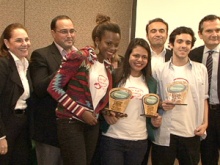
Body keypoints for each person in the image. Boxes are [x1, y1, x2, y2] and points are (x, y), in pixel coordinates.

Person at [47, 13, 121, 165]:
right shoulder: (80, 57)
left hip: (91, 124)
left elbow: (96, 99)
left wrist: (105, 110)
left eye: (116, 44)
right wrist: (81, 112)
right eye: (108, 43)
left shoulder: (107, 66)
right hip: (70, 122)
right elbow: (54, 87)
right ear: (97, 40)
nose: (113, 48)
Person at [99, 38, 162, 165]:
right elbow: (100, 101)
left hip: (139, 141)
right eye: (136, 55)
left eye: (144, 57)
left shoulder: (151, 83)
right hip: (113, 138)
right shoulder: (114, 75)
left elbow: (151, 111)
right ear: (128, 55)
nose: (140, 60)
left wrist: (155, 120)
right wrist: (105, 113)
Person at [152, 26, 208, 165]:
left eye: (188, 43)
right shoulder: (159, 69)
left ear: (191, 46)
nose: (184, 45)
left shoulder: (201, 69)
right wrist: (160, 104)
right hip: (165, 134)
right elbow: (153, 98)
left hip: (191, 132)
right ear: (171, 44)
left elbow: (204, 98)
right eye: (180, 41)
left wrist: (205, 123)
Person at [29, 15, 77, 165]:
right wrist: (65, 66)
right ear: (53, 33)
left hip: (74, 130)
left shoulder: (81, 56)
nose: (69, 35)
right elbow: (40, 88)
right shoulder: (41, 55)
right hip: (50, 131)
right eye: (64, 31)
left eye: (72, 31)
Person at [189, 14, 220, 165]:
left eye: (218, 30)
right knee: (208, 157)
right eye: (209, 31)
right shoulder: (192, 54)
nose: (214, 34)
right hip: (204, 115)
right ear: (200, 34)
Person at [0, 23, 32, 164]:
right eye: (19, 40)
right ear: (7, 43)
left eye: (26, 39)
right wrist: (1, 137)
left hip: (22, 124)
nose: (25, 44)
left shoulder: (26, 65)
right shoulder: (3, 64)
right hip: (6, 124)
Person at [142, 18, 172, 165]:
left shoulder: (175, 56)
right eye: (153, 31)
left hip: (167, 114)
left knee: (162, 159)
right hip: (142, 113)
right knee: (141, 155)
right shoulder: (140, 55)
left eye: (162, 31)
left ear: (167, 34)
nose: (158, 34)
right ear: (147, 35)